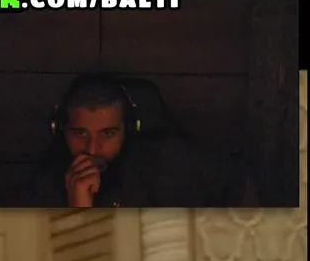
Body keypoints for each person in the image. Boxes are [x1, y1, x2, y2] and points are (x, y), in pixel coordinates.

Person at [20, 74, 256, 208]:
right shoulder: (46, 186)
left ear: (129, 130)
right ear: (60, 130)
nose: (92, 149)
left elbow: (239, 183)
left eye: (107, 134)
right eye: (80, 133)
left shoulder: (170, 158)